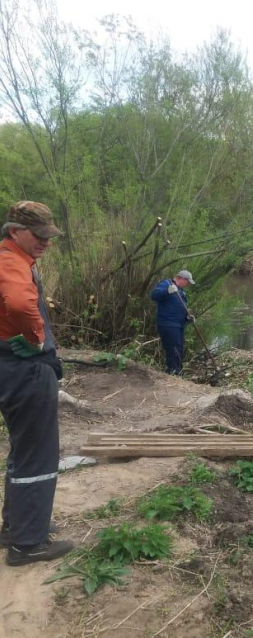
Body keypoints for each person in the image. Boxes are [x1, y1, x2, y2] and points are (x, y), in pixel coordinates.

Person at [0, 201, 74, 565]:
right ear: (15, 231)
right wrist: (37, 338)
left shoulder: (9, 258)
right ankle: (28, 544)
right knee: (39, 455)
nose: (46, 242)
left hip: (9, 367)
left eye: (49, 236)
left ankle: (14, 528)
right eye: (39, 235)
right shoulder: (12, 262)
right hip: (24, 369)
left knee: (23, 448)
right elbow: (16, 303)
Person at [150, 270, 195, 375]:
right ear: (182, 279)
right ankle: (173, 371)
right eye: (187, 282)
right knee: (173, 348)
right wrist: (167, 291)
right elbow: (154, 296)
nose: (188, 284)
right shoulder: (166, 284)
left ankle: (177, 370)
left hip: (178, 325)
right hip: (168, 323)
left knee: (178, 348)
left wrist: (188, 318)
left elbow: (180, 309)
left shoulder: (181, 291)